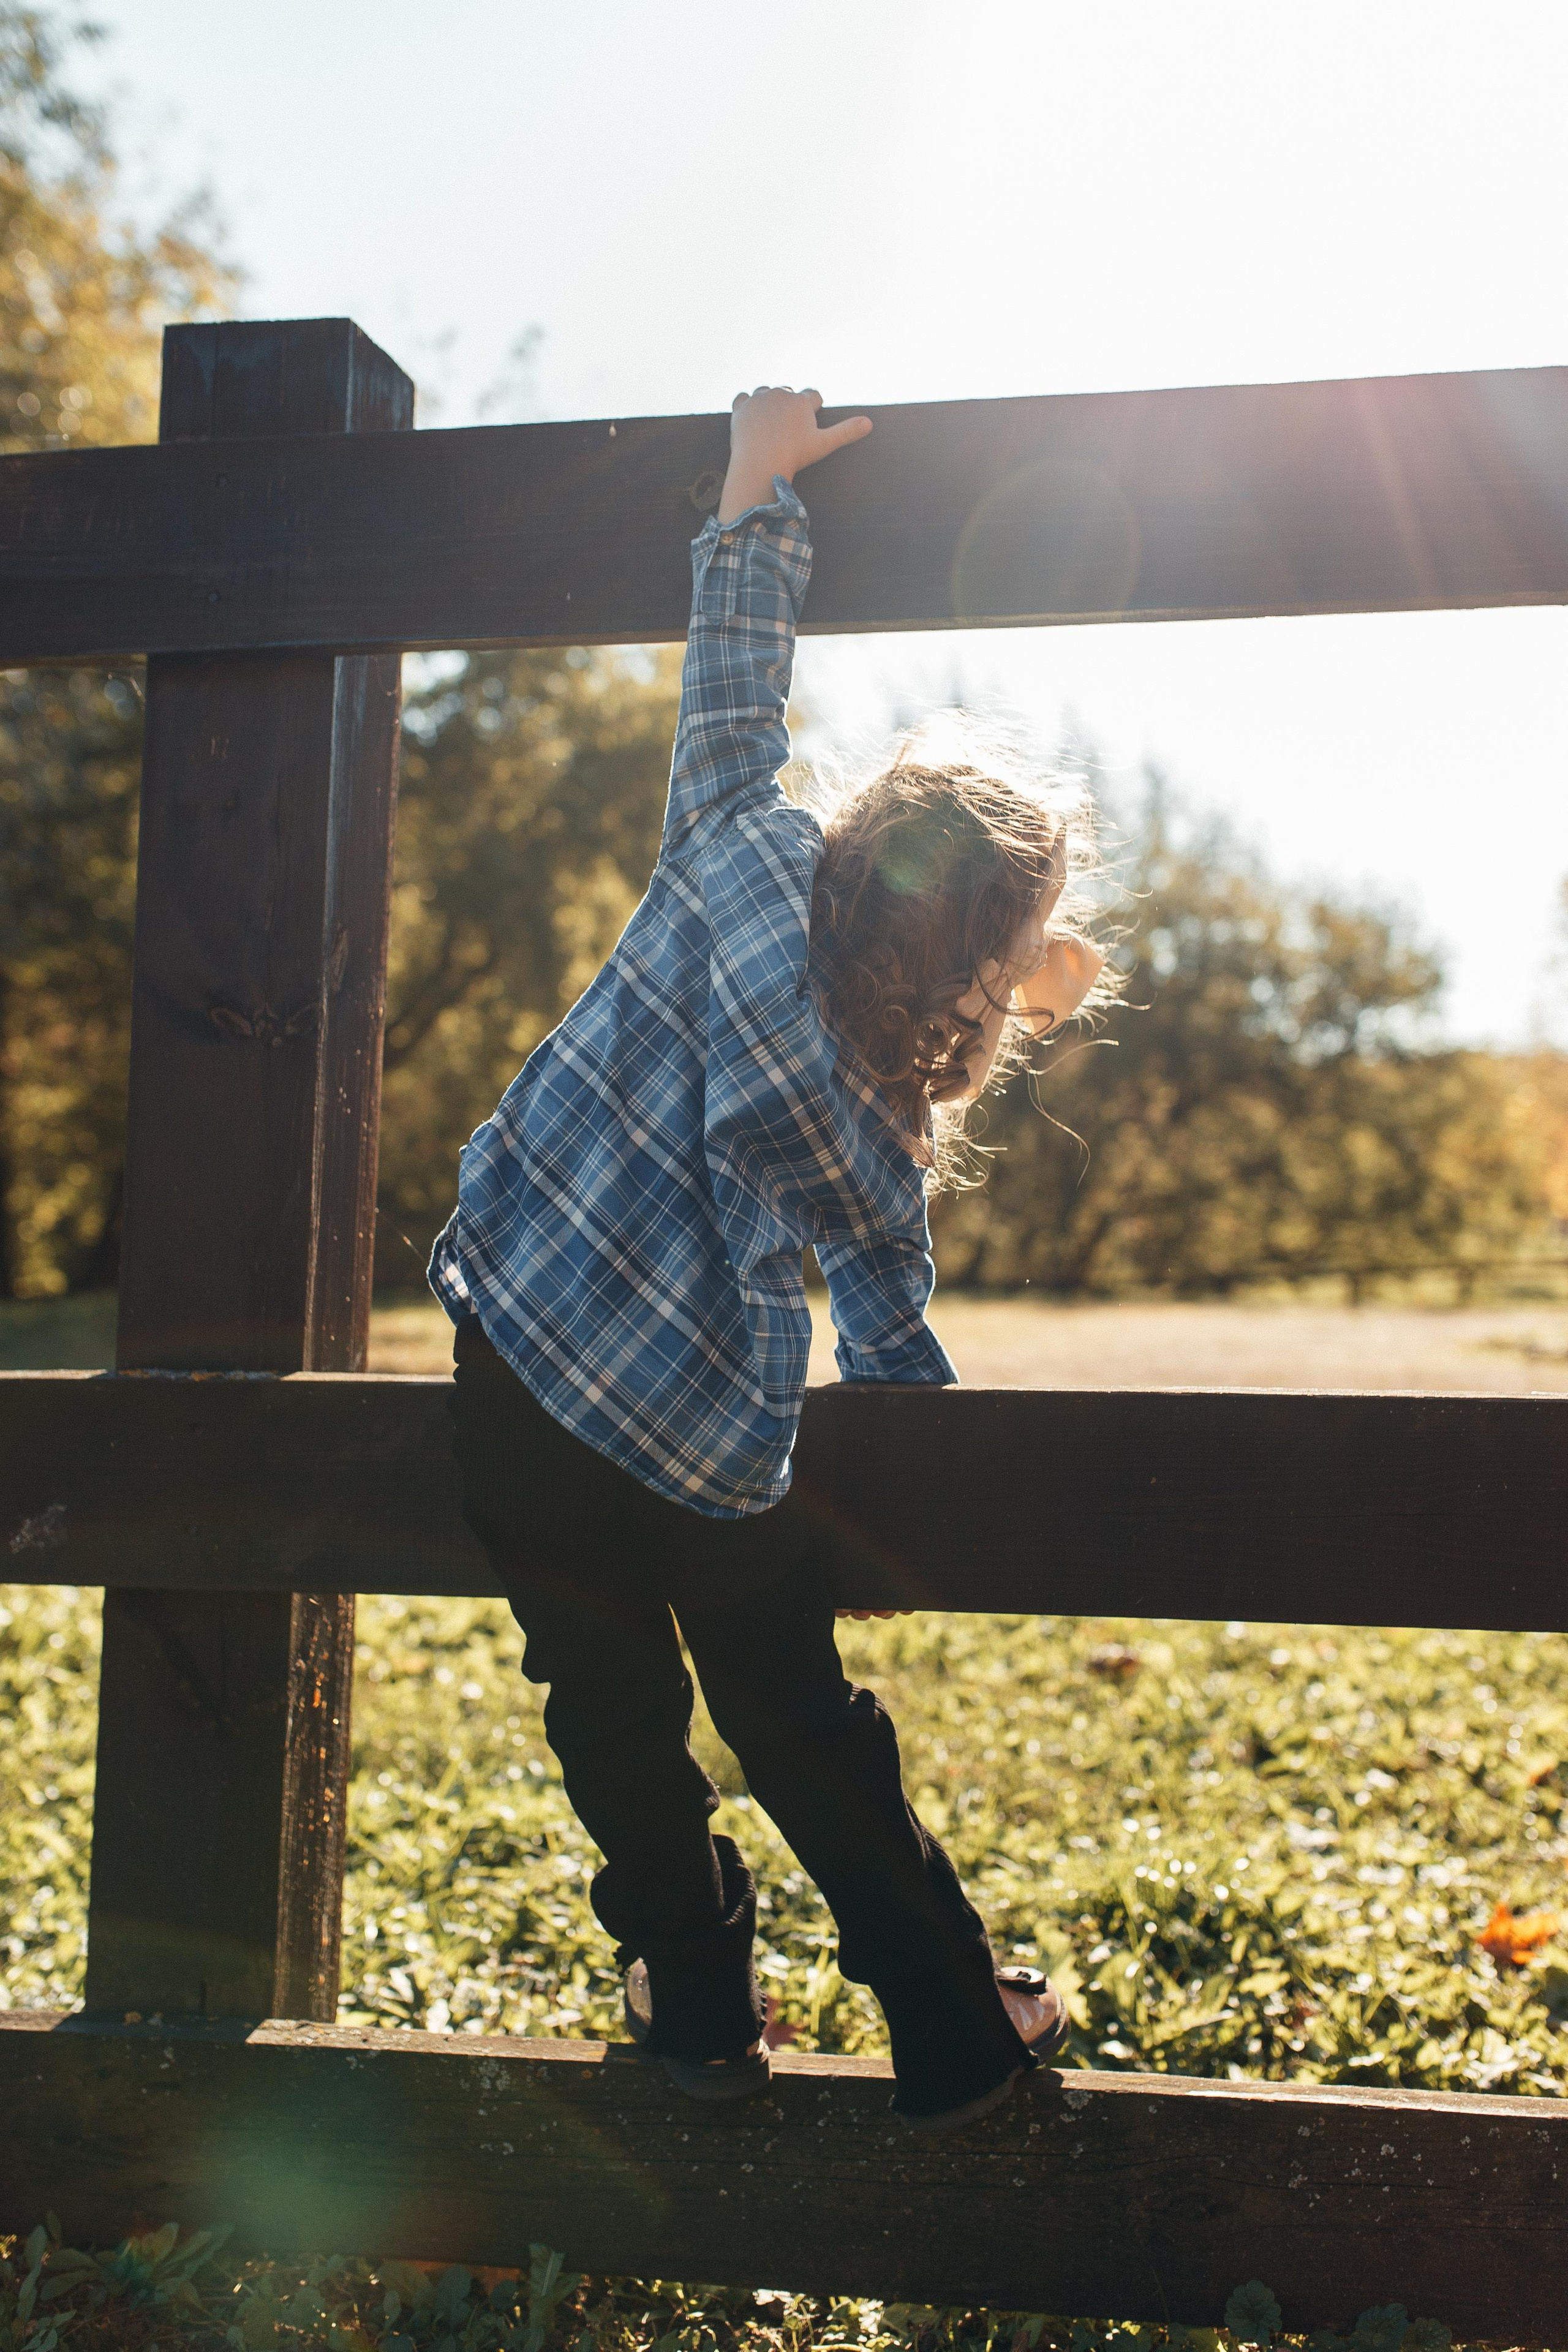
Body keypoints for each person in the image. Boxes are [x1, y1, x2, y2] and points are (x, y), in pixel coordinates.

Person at [431, 385, 1108, 2135]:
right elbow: (888, 1330)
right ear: (966, 967)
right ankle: (954, 2028)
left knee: (603, 1709)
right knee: (801, 1725)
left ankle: (694, 1989)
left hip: (520, 1351)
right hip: (708, 1451)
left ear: (868, 827)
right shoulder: (884, 1116)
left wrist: (757, 486)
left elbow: (734, 667)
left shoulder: (734, 843)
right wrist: (904, 1484)